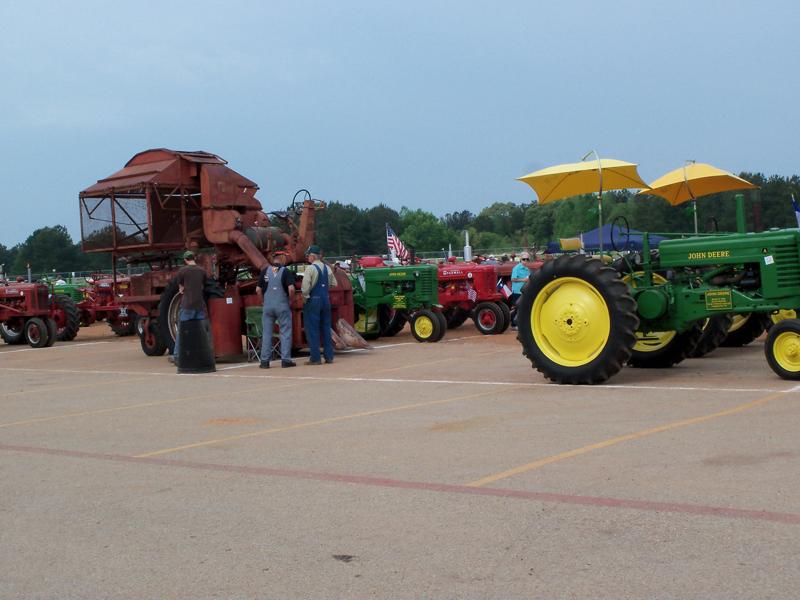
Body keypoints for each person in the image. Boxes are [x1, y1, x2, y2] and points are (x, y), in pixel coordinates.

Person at [255, 250, 296, 369]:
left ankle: (264, 361)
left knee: (267, 333)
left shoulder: (265, 272)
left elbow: (258, 290)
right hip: (282, 305)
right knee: (285, 332)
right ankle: (285, 360)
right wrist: (291, 300)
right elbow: (292, 289)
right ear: (282, 258)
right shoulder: (285, 272)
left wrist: (262, 301)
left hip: (267, 307)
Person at [301, 245, 337, 365]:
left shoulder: (310, 269)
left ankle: (315, 358)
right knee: (326, 328)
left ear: (313, 256)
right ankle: (329, 357)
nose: (307, 257)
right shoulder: (327, 268)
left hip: (314, 300)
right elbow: (333, 284)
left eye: (308, 255)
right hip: (325, 300)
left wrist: (305, 298)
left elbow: (305, 288)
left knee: (313, 329)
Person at [170, 250, 207, 364]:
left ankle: (177, 356)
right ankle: (201, 354)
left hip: (187, 305)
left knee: (182, 331)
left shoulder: (183, 271)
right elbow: (203, 285)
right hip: (199, 305)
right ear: (194, 258)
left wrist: (182, 288)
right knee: (200, 332)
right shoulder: (202, 271)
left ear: (185, 260)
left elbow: (179, 284)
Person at [509, 252, 535, 330]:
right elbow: (513, 279)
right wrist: (523, 280)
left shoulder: (527, 269)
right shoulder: (516, 268)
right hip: (517, 291)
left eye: (527, 259)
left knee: (523, 307)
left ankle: (520, 323)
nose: (525, 261)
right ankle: (513, 324)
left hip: (524, 291)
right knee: (516, 307)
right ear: (521, 259)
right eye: (524, 259)